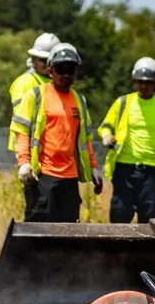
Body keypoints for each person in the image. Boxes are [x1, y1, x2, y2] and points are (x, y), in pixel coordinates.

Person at [12, 42, 103, 222]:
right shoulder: (35, 96)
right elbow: (21, 131)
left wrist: (93, 167)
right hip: (43, 177)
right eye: (61, 69)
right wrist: (23, 163)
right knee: (39, 232)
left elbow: (85, 140)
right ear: (51, 70)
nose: (66, 75)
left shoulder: (79, 100)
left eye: (71, 70)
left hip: (70, 179)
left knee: (67, 236)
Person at [96, 57, 155, 224]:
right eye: (140, 82)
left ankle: (147, 251)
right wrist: (106, 136)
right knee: (119, 214)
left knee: (150, 217)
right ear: (134, 82)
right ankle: (118, 250)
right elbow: (104, 127)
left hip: (151, 172)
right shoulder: (123, 103)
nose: (144, 86)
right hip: (124, 169)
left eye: (148, 82)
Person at [7, 32, 61, 219]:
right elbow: (23, 124)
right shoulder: (26, 82)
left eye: (49, 60)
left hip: (50, 155)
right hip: (31, 154)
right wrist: (25, 161)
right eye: (41, 59)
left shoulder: (55, 82)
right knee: (37, 206)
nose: (45, 64)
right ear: (33, 59)